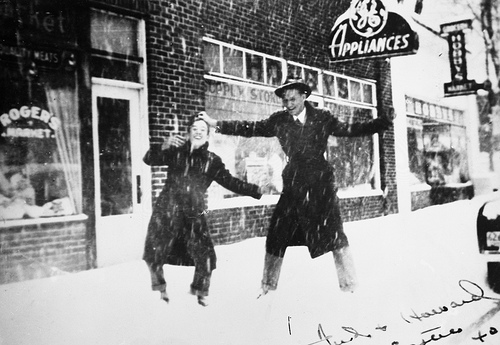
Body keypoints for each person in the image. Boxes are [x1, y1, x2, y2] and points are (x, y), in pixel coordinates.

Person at [199, 75, 394, 297]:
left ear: (304, 96)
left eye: (292, 99)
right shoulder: (279, 120)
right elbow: (251, 127)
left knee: (334, 233)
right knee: (277, 233)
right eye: (285, 100)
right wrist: (216, 124)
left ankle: (350, 286)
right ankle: (267, 287)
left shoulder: (322, 117)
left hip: (321, 184)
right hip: (294, 183)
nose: (288, 104)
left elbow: (352, 129)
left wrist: (383, 122)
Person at [142, 116, 262, 306]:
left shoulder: (211, 160)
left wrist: (255, 190)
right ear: (188, 132)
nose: (198, 132)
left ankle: (200, 291)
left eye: (202, 130)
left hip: (192, 212)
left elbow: (230, 181)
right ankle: (160, 289)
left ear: (207, 136)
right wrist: (163, 145)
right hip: (166, 209)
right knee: (154, 252)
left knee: (205, 255)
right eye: (194, 128)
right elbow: (149, 159)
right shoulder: (175, 152)